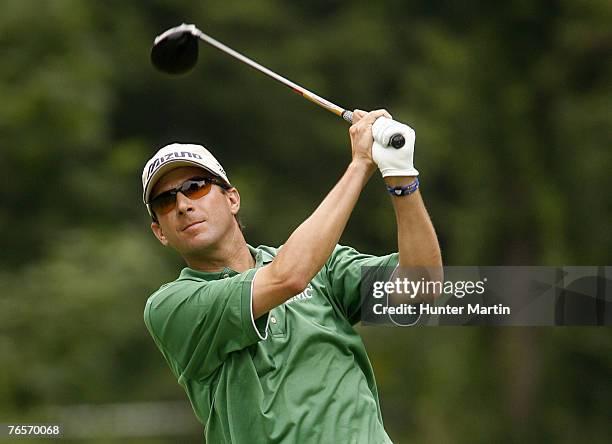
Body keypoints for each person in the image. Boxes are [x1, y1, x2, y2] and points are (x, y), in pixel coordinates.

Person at [142, 109, 442, 443]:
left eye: (196, 187)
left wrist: (401, 177)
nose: (182, 205)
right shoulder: (171, 306)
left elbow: (422, 289)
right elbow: (288, 278)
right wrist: (360, 165)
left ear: (232, 199)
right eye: (166, 201)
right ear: (160, 232)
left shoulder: (324, 267)